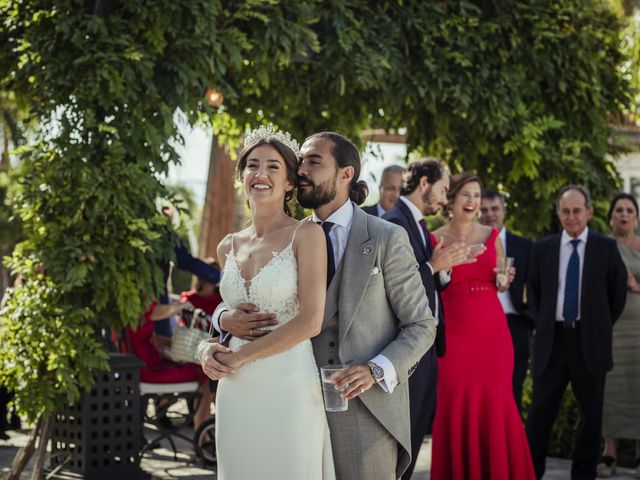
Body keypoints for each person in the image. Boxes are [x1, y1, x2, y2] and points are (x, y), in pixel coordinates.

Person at [201, 131, 437, 480]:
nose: (301, 170)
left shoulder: (386, 237)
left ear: (346, 173)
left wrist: (374, 369)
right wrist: (221, 321)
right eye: (299, 163)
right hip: (285, 399)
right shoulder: (291, 235)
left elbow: (421, 324)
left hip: (362, 410)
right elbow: (242, 304)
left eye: (314, 162)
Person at [199, 126, 334, 480]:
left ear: (290, 181)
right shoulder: (227, 245)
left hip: (288, 386)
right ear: (241, 176)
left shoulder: (307, 234)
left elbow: (310, 321)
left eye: (273, 167)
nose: (260, 174)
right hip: (234, 392)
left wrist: (239, 358)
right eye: (252, 165)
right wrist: (207, 350)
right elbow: (227, 320)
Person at [382, 158, 484, 480]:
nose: (445, 198)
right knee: (402, 442)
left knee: (415, 437)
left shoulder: (420, 225)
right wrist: (432, 268)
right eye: (442, 189)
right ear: (424, 183)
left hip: (428, 346)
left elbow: (428, 279)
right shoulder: (395, 221)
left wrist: (445, 268)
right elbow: (394, 284)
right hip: (406, 346)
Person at [430, 172, 535, 480]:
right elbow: (430, 284)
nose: (473, 201)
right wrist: (445, 266)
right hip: (454, 335)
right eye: (467, 195)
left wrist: (505, 281)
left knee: (498, 404)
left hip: (493, 334)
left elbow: (501, 282)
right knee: (454, 402)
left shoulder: (492, 236)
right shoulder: (433, 238)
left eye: (477, 196)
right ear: (451, 200)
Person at [526, 185, 627, 480]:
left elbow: (617, 293)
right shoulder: (542, 248)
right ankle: (531, 472)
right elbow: (534, 293)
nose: (571, 217)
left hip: (590, 343)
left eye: (577, 211)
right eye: (565, 211)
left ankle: (583, 475)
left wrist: (599, 324)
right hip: (553, 341)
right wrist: (545, 324)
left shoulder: (605, 248)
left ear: (589, 213)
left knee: (591, 417)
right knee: (539, 416)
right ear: (558, 213)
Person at [597, 193, 640, 477]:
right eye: (619, 210)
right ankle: (609, 452)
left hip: (639, 330)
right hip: (610, 328)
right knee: (609, 391)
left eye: (629, 210)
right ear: (611, 216)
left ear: (636, 217)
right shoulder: (603, 247)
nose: (624, 215)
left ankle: (639, 456)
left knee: (638, 389)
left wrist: (636, 285)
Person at [480, 189, 533, 410]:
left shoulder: (525, 246)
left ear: (503, 211)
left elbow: (535, 285)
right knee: (484, 385)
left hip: (515, 325)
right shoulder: (474, 243)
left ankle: (511, 437)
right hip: (482, 326)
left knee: (514, 385)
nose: (490, 214)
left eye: (495, 209)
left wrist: (531, 320)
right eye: (485, 209)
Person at [127, 300, 213, 431]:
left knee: (193, 365)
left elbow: (152, 339)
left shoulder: (128, 304)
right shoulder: (138, 304)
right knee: (206, 371)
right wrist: (180, 307)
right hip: (148, 370)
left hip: (144, 365)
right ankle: (202, 434)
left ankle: (200, 428)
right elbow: (152, 312)